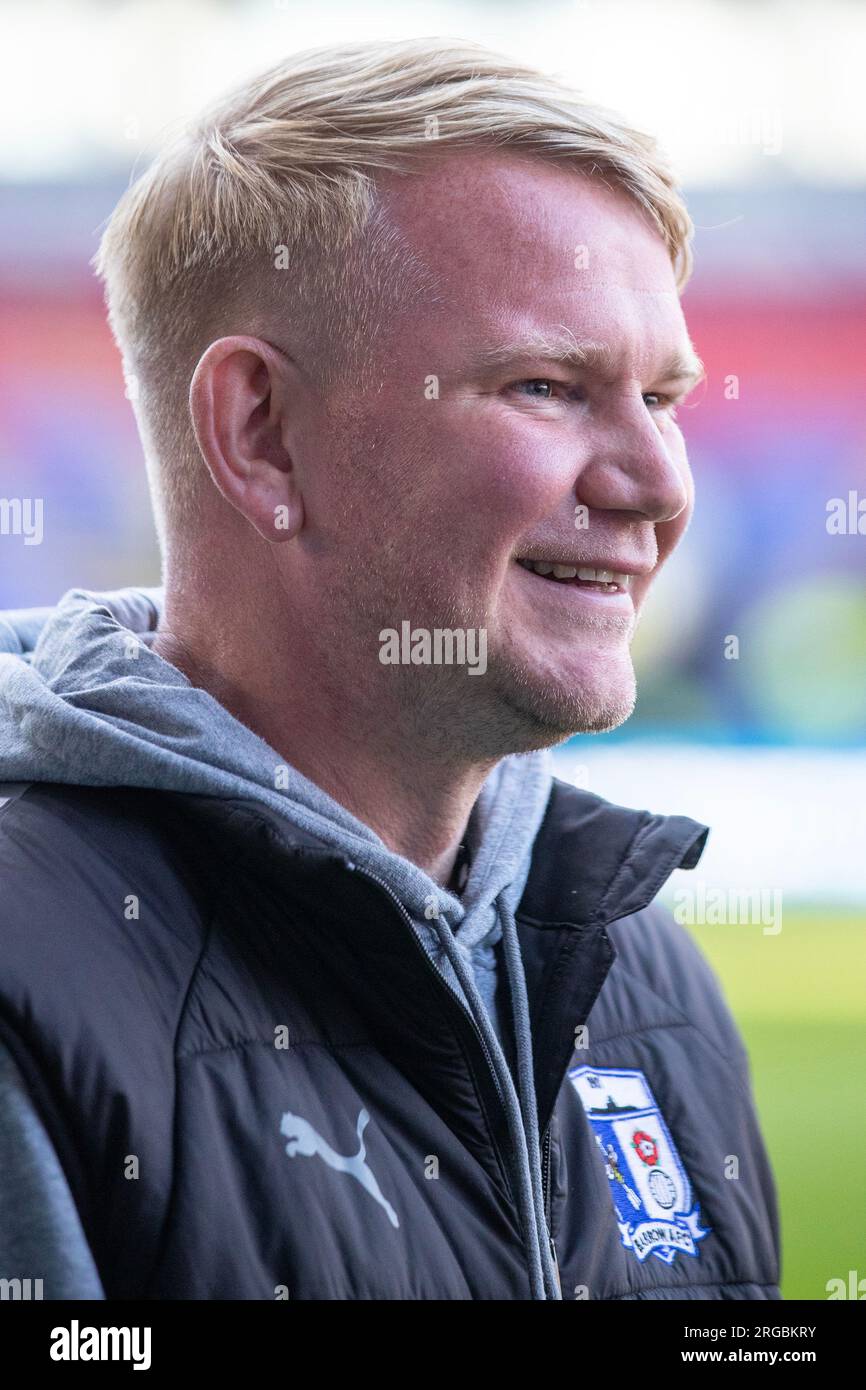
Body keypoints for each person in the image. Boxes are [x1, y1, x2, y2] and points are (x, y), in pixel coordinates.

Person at [0, 37, 780, 1300]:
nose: (658, 487)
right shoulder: (28, 977)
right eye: (546, 385)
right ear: (260, 433)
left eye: (665, 399)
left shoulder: (644, 970)